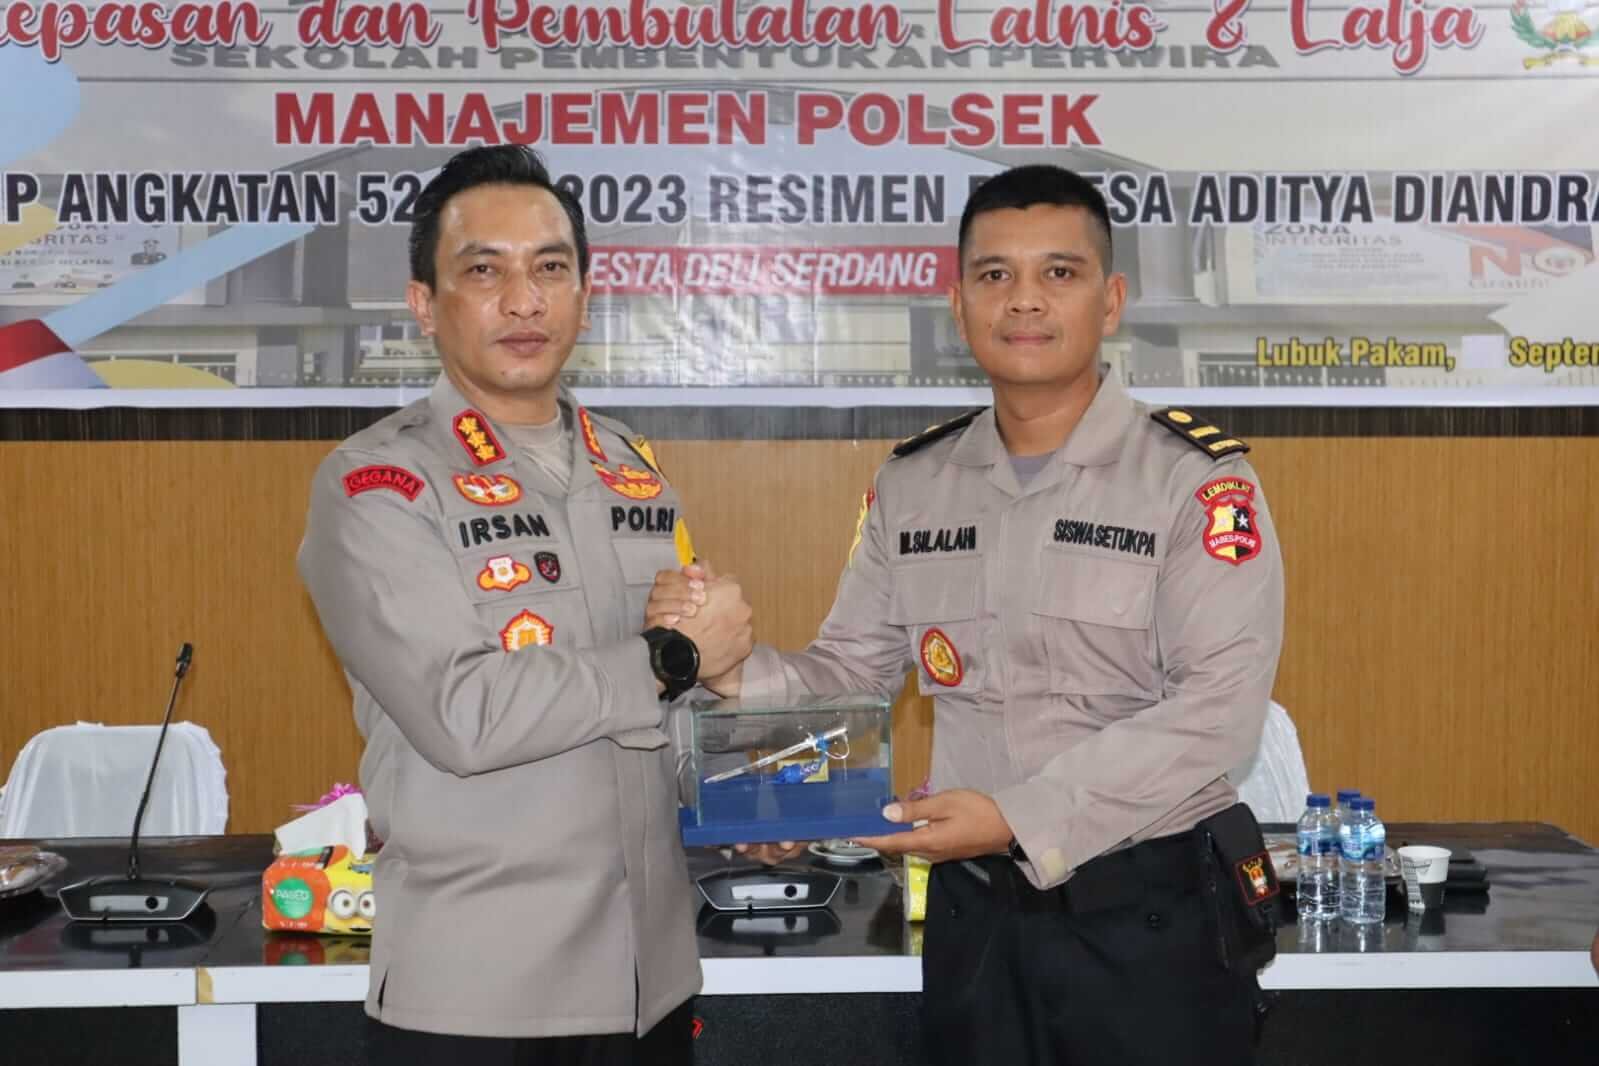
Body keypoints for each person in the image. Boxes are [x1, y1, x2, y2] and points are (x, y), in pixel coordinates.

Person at [650, 164, 1286, 1066]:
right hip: (974, 919)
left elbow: (1216, 713)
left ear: (1109, 302)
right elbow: (849, 675)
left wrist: (1018, 816)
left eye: (1058, 273)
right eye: (994, 275)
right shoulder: (914, 483)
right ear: (957, 307)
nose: (1024, 300)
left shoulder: (1195, 480)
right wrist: (724, 667)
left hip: (1151, 918)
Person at [298, 144, 752, 1065]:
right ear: (424, 303)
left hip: (648, 983)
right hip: (479, 998)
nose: (523, 300)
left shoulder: (631, 467)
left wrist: (750, 802)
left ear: (585, 292)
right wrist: (670, 657)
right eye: (483, 271)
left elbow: (673, 702)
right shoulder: (378, 484)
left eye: (549, 268)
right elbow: (462, 713)